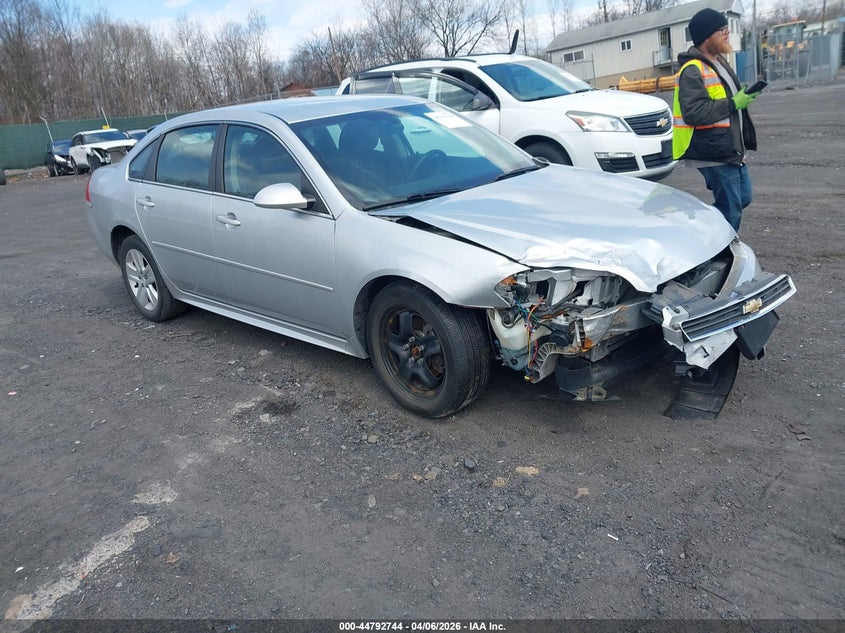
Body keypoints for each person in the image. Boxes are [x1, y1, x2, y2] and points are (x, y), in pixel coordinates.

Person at [672, 8, 758, 232]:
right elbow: (694, 113)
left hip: (730, 149)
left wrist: (742, 99)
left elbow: (728, 101)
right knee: (732, 208)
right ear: (707, 36)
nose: (727, 33)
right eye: (722, 29)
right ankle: (724, 253)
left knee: (743, 198)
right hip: (712, 151)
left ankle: (702, 228)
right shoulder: (692, 70)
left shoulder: (719, 62)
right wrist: (733, 103)